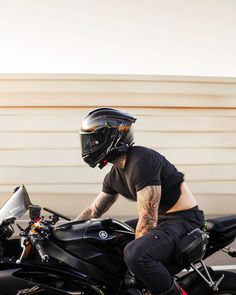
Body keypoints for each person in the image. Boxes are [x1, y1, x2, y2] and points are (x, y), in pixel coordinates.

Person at [76, 107, 205, 295]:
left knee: (135, 254)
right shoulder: (113, 176)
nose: (89, 145)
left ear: (111, 138)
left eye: (94, 139)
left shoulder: (142, 161)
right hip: (163, 221)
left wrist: (132, 268)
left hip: (184, 220)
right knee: (106, 233)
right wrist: (62, 231)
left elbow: (147, 221)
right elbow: (93, 211)